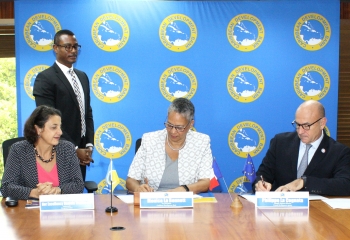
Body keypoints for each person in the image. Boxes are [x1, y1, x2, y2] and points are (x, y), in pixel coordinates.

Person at [33, 29, 94, 181]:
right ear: (55, 48)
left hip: (82, 151)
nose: (73, 50)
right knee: (60, 198)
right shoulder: (45, 78)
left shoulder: (82, 76)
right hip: (56, 151)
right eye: (67, 47)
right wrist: (73, 149)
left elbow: (87, 113)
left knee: (77, 196)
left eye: (75, 47)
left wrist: (88, 145)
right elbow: (47, 120)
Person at [254, 100, 350, 196]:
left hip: (318, 209)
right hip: (281, 208)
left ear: (322, 123)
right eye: (297, 125)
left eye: (306, 126)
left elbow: (345, 184)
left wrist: (304, 182)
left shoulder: (339, 152)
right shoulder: (280, 143)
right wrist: (260, 184)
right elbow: (263, 174)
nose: (300, 131)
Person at [126, 98, 213, 193]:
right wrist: (138, 188)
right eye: (169, 125)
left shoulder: (201, 142)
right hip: (153, 202)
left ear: (191, 124)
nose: (173, 131)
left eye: (179, 127)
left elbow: (205, 182)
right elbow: (131, 181)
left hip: (186, 201)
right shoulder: (149, 140)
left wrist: (185, 189)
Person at [1, 105, 84, 200]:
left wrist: (58, 190)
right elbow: (6, 187)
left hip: (62, 209)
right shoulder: (19, 150)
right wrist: (34, 193)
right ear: (38, 129)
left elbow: (79, 184)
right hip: (28, 211)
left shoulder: (67, 148)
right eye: (54, 127)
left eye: (60, 127)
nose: (60, 132)